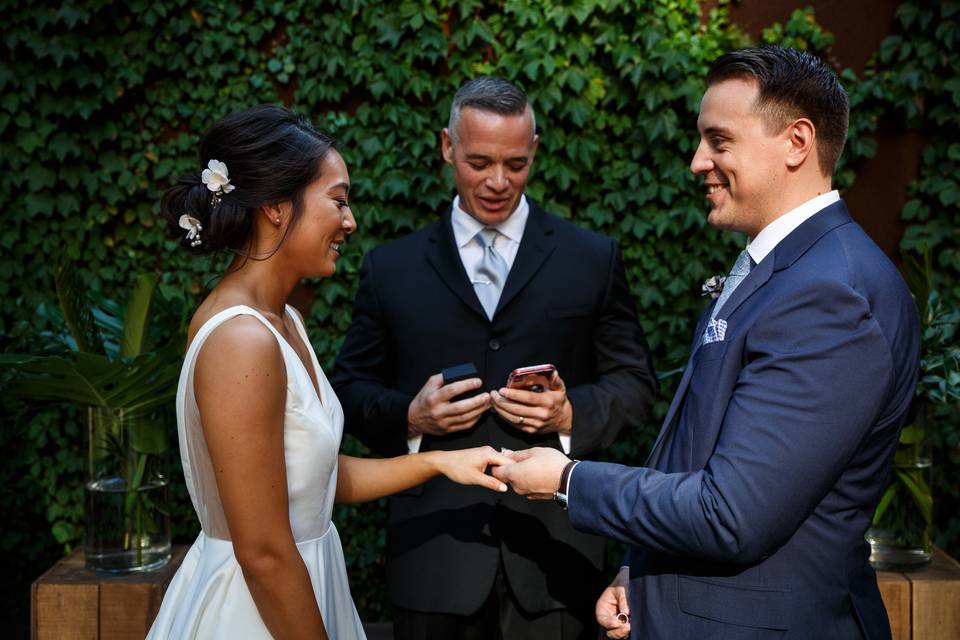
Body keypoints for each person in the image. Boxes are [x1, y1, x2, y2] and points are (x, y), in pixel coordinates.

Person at [493, 45, 921, 639]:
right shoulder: (786, 269)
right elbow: (695, 449)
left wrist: (568, 479)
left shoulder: (830, 294)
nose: (698, 161)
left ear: (797, 143)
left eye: (719, 141)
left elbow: (732, 513)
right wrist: (638, 571)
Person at [146, 105, 512, 640]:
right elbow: (265, 553)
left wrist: (440, 462)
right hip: (256, 611)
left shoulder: (284, 318)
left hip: (301, 587)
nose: (350, 221)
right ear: (275, 206)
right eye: (338, 200)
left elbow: (312, 475)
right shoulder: (242, 340)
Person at [331, 76, 658, 639]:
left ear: (534, 150)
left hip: (560, 558)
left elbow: (636, 382)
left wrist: (570, 415)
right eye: (479, 162)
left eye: (515, 163)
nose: (498, 182)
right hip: (434, 561)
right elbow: (348, 389)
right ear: (446, 147)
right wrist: (411, 417)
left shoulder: (592, 258)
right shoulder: (391, 267)